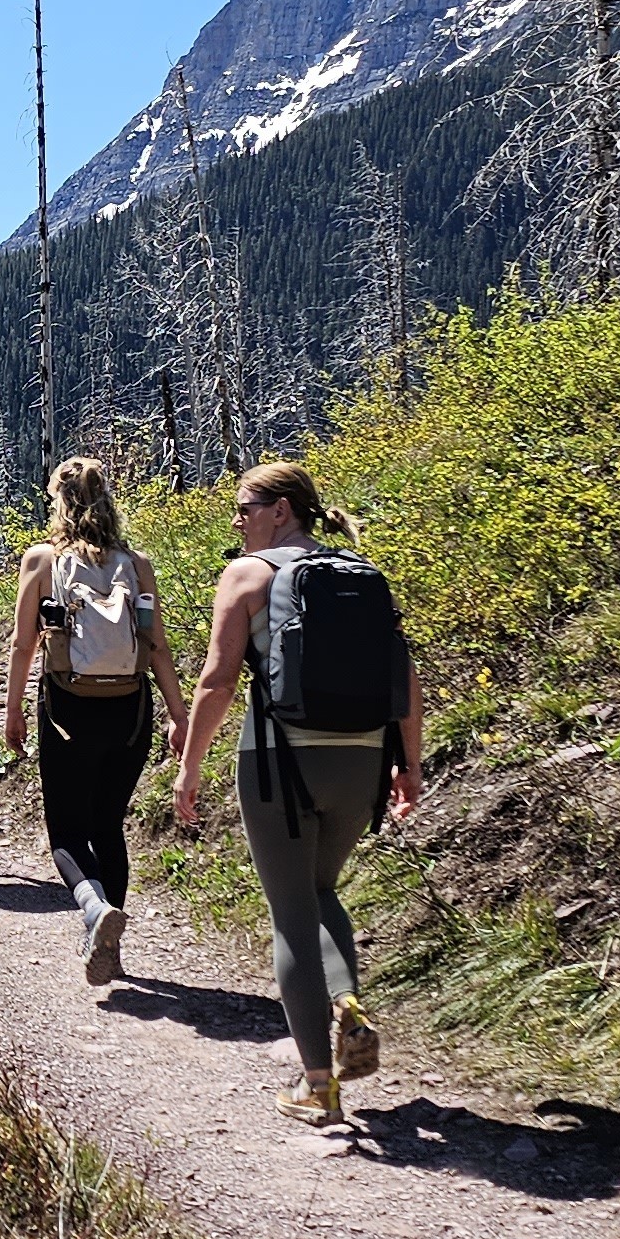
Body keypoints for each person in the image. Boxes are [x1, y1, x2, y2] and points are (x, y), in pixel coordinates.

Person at [172, 460, 424, 1127]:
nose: (237, 519)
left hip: (280, 759)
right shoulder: (361, 574)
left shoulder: (248, 575)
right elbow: (405, 676)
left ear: (281, 509)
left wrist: (189, 768)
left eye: (245, 506)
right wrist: (410, 766)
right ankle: (348, 1003)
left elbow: (218, 680)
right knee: (321, 892)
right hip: (363, 759)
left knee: (289, 910)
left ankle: (319, 1083)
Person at [2, 458, 181, 986]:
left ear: (59, 501)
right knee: (108, 825)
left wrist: (12, 709)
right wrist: (179, 713)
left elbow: (21, 644)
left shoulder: (41, 561)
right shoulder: (137, 564)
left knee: (66, 829)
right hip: (131, 711)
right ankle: (112, 949)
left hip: (67, 710)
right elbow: (157, 646)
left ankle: (94, 910)